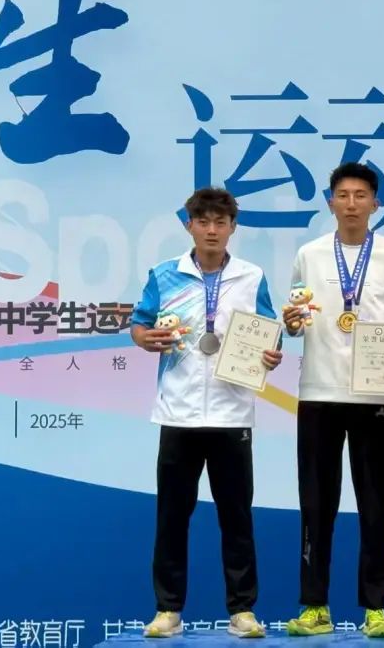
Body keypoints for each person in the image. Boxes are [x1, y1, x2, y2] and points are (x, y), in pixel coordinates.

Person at [131, 187, 282, 639]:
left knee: (236, 518)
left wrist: (271, 354)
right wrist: (144, 339)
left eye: (220, 222)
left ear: (233, 227)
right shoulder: (164, 274)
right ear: (189, 226)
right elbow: (139, 323)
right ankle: (167, 610)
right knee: (171, 518)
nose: (212, 230)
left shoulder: (251, 277)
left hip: (232, 414)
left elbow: (271, 331)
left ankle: (242, 611)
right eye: (203, 222)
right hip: (178, 413)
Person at [281, 162, 384, 639]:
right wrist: (291, 324)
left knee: (376, 505)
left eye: (361, 195)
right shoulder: (310, 254)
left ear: (376, 203)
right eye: (343, 195)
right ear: (330, 201)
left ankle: (375, 608)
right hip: (319, 391)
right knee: (316, 504)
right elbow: (295, 316)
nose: (352, 204)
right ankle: (315, 605)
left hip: (374, 393)